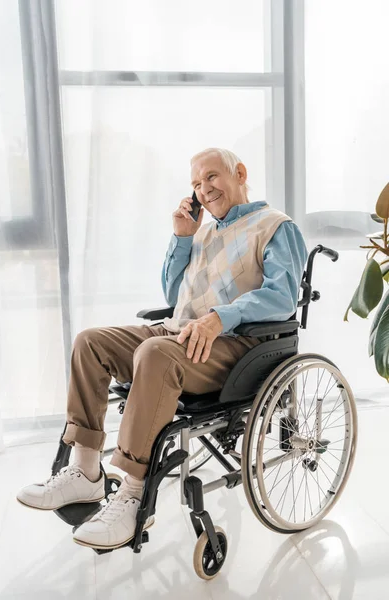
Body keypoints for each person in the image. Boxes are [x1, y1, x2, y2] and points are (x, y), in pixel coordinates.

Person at [16, 147, 308, 550]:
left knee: (154, 353)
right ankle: (85, 473)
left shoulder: (275, 226)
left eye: (211, 177)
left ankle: (133, 496)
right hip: (181, 333)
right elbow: (175, 295)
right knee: (90, 342)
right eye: (195, 184)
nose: (203, 190)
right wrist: (182, 238)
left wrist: (221, 317)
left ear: (239, 173)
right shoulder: (205, 231)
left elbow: (283, 298)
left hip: (236, 346)